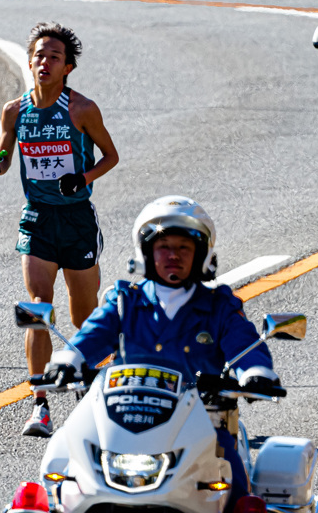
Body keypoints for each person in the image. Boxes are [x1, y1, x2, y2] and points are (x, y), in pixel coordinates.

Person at [42, 196, 281, 510]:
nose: (173, 255)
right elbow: (92, 335)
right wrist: (67, 360)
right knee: (59, 467)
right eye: (163, 246)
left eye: (184, 247)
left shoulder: (219, 306)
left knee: (234, 483)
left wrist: (255, 372)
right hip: (121, 420)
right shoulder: (124, 301)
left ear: (202, 254)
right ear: (146, 252)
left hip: (202, 423)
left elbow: (244, 344)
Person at [0, 23, 119, 437]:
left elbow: (111, 155)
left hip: (77, 221)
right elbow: (4, 157)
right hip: (37, 218)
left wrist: (83, 178)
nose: (45, 62)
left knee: (83, 315)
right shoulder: (14, 111)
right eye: (40, 55)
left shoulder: (82, 109)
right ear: (30, 61)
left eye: (54, 57)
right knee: (39, 307)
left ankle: (92, 384)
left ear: (67, 67)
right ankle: (39, 404)